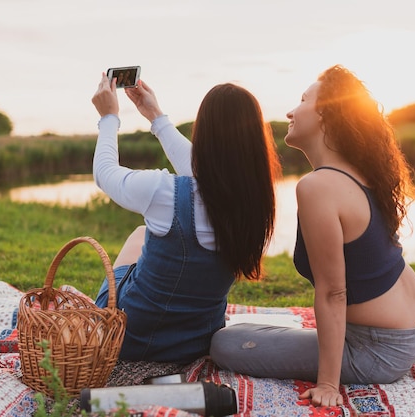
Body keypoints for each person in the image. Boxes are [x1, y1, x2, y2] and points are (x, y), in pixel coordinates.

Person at [209, 65, 415, 407]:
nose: (291, 111)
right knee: (256, 331)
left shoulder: (318, 187)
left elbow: (334, 292)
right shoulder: (361, 173)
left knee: (226, 343)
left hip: (379, 350)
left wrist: (327, 384)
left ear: (325, 113)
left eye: (303, 100)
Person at [91, 74, 281, 364]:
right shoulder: (254, 203)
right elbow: (202, 169)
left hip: (129, 340)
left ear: (202, 133)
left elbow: (104, 173)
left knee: (139, 234)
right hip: (197, 345)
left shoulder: (162, 192)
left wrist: (109, 118)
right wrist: (155, 116)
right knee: (145, 233)